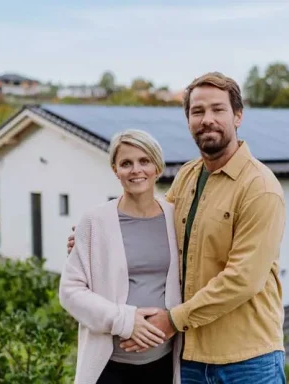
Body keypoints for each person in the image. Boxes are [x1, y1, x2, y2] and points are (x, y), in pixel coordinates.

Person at [68, 72, 287, 383]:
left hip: (245, 359)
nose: (207, 119)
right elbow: (151, 225)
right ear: (188, 120)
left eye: (217, 109)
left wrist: (171, 321)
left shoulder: (260, 188)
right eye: (197, 111)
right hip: (189, 356)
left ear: (238, 116)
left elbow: (243, 279)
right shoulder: (187, 177)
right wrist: (96, 239)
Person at [59, 129, 182, 384]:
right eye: (126, 163)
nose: (136, 170)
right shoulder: (95, 221)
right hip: (110, 365)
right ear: (115, 170)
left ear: (157, 167)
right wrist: (125, 321)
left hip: (164, 363)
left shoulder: (176, 218)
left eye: (144, 161)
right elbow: (70, 291)